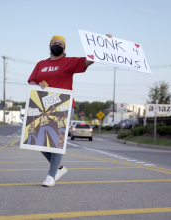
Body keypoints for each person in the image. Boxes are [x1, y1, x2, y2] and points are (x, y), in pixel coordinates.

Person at [28, 34, 112, 187]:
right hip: (43, 106)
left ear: (64, 48)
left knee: (57, 140)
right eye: (54, 42)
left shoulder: (69, 62)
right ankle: (59, 168)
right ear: (49, 46)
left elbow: (89, 60)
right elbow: (32, 80)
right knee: (37, 140)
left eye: (60, 43)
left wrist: (103, 45)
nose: (57, 44)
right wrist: (37, 87)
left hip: (64, 105)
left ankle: (51, 176)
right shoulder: (41, 64)